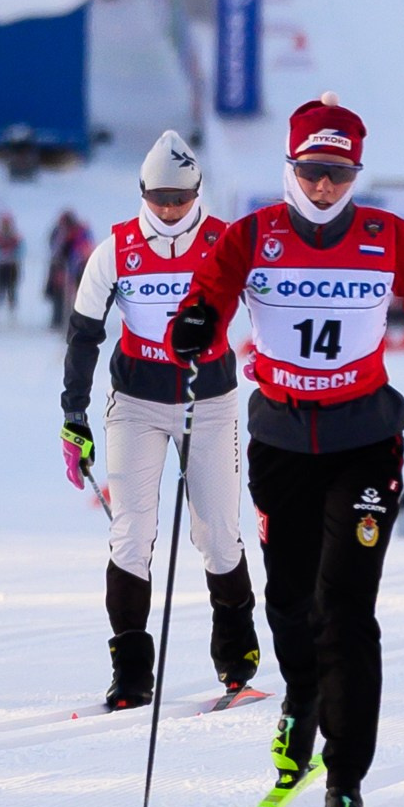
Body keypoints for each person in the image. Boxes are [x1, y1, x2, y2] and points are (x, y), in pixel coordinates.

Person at [169, 92, 404, 807]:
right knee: (289, 599)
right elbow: (204, 301)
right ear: (289, 167)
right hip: (279, 441)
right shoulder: (252, 236)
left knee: (345, 608)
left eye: (338, 173)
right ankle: (300, 703)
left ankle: (344, 780)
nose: (323, 186)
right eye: (310, 171)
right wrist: (194, 325)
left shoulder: (387, 237)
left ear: (356, 174)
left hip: (363, 440)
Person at [59, 132, 259, 714]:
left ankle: (238, 658)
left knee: (216, 531)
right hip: (137, 403)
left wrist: (271, 371)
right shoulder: (115, 249)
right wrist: (74, 416)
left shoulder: (225, 241)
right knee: (131, 533)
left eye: (181, 199)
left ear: (198, 192)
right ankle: (130, 674)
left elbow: (265, 311)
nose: (170, 211)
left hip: (210, 401)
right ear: (142, 192)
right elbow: (84, 334)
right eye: (159, 199)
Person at [0, 212, 24, 315]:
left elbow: (21, 250)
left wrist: (13, 255)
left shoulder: (16, 237)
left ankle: (12, 311)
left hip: (11, 266)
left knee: (11, 289)